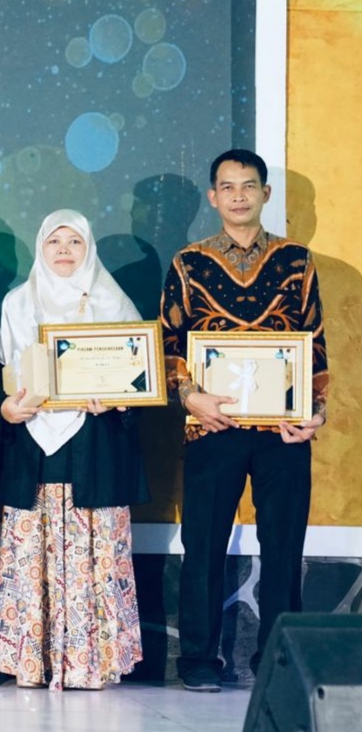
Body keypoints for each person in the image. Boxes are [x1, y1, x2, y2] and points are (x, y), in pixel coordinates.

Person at [163, 149, 328, 692]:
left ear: (265, 194)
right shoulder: (188, 263)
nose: (238, 196)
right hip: (211, 425)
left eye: (249, 186)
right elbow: (169, 342)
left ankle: (277, 663)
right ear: (214, 197)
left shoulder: (297, 261)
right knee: (203, 545)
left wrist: (315, 412)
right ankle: (197, 661)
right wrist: (191, 397)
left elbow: (315, 342)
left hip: (284, 430)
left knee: (284, 547)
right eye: (228, 187)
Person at [0, 209, 147, 690]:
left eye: (74, 241)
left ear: (89, 249)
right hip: (32, 444)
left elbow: (138, 383)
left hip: (96, 445)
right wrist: (6, 409)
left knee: (96, 552)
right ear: (40, 247)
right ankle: (33, 661)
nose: (63, 250)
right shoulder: (18, 304)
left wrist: (118, 399)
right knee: (31, 553)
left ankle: (89, 663)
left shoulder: (114, 303)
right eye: (54, 241)